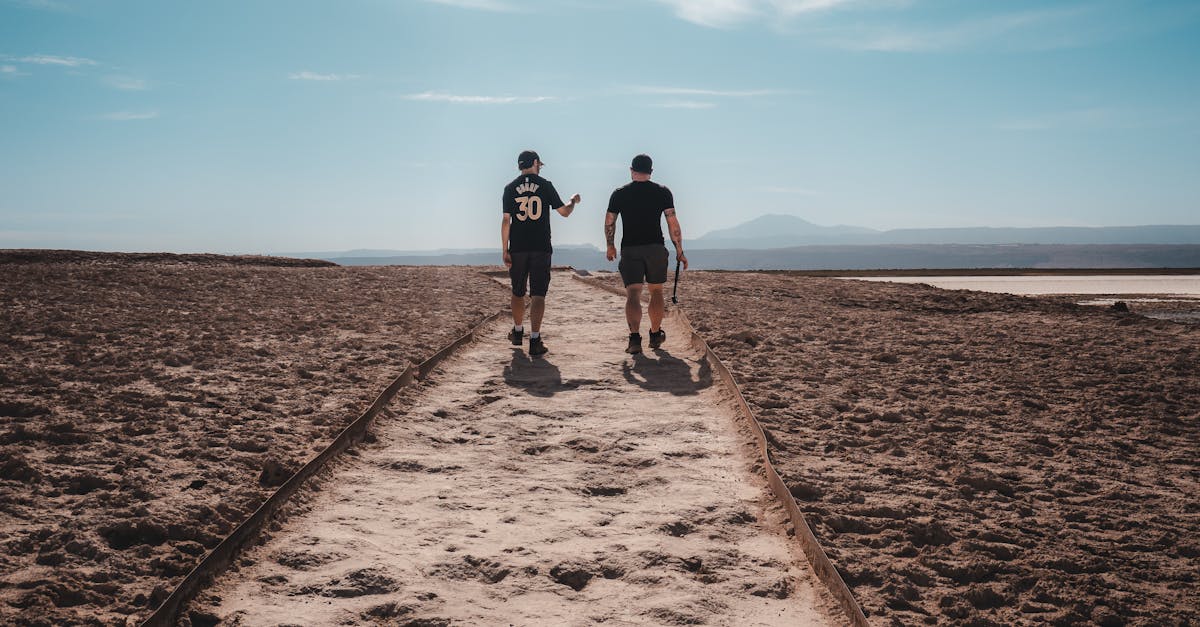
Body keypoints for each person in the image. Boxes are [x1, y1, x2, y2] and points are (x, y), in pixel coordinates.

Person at [604, 153, 687, 354]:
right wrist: (679, 250)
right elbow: (672, 222)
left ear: (631, 170)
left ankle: (634, 339)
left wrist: (610, 245)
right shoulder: (663, 192)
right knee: (656, 291)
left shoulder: (619, 193)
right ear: (651, 171)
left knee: (633, 293)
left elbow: (609, 221)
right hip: (655, 248)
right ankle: (655, 333)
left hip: (630, 248)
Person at [502, 149, 580, 356]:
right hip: (540, 247)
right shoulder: (545, 185)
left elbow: (506, 221)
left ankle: (518, 332)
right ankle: (535, 340)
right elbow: (563, 212)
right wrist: (573, 201)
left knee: (517, 292)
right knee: (538, 294)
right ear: (535, 162)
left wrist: (504, 250)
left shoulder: (510, 188)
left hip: (517, 247)